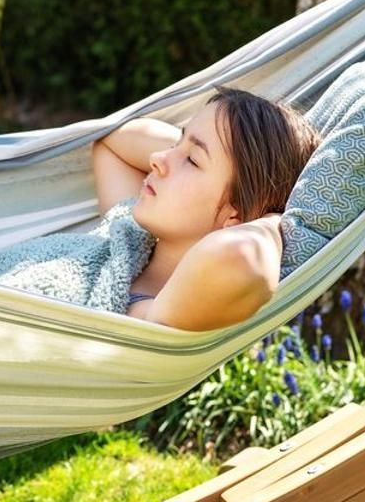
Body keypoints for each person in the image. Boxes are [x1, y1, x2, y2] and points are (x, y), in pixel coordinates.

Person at [93, 87, 319, 330]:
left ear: (236, 214)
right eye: (175, 143)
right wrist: (191, 146)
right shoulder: (125, 233)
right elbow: (112, 142)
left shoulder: (151, 314)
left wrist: (273, 219)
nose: (156, 158)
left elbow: (242, 255)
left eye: (192, 160)